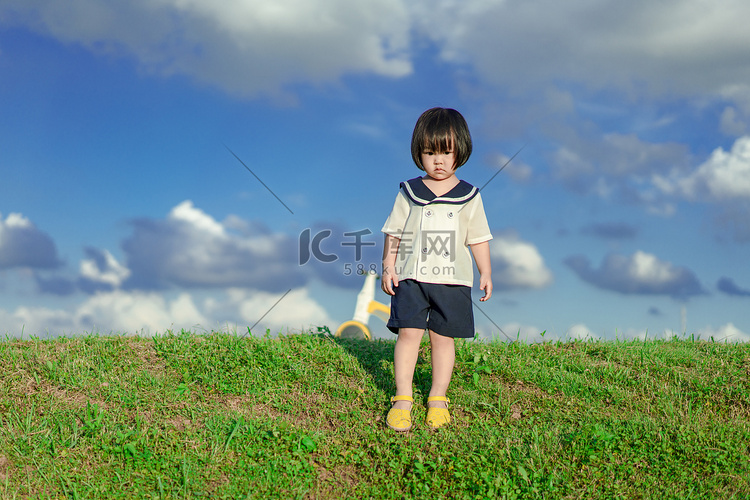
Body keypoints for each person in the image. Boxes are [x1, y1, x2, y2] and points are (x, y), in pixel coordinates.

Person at [381, 107, 493, 431]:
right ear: (419, 153)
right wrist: (389, 265)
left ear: (461, 151)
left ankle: (438, 398)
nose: (438, 161)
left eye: (446, 152)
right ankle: (402, 398)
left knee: (443, 339)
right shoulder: (409, 191)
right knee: (408, 334)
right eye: (430, 153)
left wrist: (485, 271)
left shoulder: (469, 196)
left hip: (453, 280)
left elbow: (479, 237)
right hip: (411, 277)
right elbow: (394, 231)